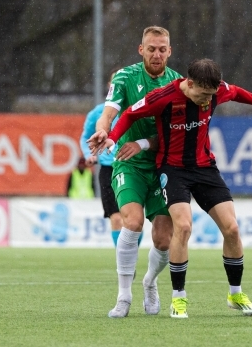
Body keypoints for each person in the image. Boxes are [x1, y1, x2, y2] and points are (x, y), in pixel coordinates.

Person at [90, 58, 252, 318]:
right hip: (172, 169)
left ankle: (235, 294)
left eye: (211, 96)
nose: (206, 101)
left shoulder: (215, 91)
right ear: (189, 83)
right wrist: (112, 137)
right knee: (183, 226)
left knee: (232, 228)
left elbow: (237, 93)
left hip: (204, 167)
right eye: (202, 94)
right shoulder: (164, 96)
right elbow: (130, 113)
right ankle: (178, 299)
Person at [89, 26, 183, 318]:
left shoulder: (179, 84)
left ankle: (150, 283)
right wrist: (104, 133)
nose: (156, 54)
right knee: (132, 221)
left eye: (162, 49)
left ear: (169, 51)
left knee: (164, 239)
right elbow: (108, 114)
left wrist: (142, 143)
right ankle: (124, 296)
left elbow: (174, 134)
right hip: (129, 164)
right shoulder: (125, 78)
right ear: (141, 50)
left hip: (161, 163)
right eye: (151, 48)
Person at [79, 70, 144, 247]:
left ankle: (130, 255)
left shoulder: (138, 110)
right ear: (110, 87)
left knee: (135, 221)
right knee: (116, 219)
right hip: (109, 169)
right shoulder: (97, 113)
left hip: (133, 168)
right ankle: (123, 259)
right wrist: (89, 155)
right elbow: (85, 136)